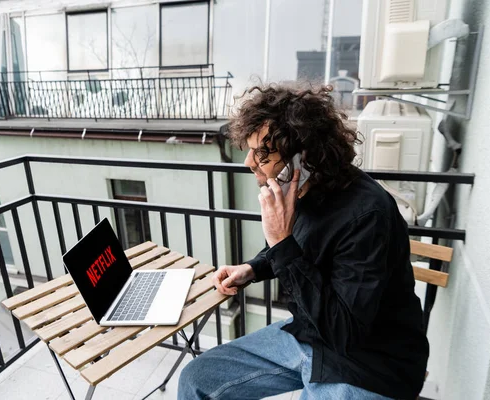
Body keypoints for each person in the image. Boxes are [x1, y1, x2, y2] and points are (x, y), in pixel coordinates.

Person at [178, 84, 429, 400]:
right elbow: (298, 248)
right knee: (196, 379)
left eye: (262, 154)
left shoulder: (367, 215)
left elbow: (344, 332)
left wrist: (280, 239)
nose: (248, 163)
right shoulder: (304, 191)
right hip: (309, 334)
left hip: (368, 364)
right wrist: (253, 268)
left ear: (302, 159)